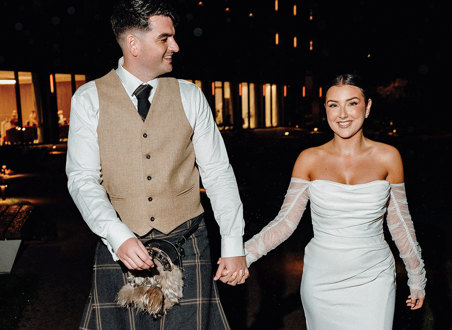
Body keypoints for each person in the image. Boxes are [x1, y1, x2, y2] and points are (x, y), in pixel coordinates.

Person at [66, 1, 248, 329]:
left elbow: (218, 172)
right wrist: (117, 235)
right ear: (134, 44)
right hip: (121, 245)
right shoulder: (88, 98)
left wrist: (233, 244)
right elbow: (82, 179)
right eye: (165, 38)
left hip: (188, 241)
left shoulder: (191, 96)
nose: (175, 46)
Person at [244, 73, 426, 329]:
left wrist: (416, 277)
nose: (342, 114)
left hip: (373, 279)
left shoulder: (389, 157)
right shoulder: (309, 159)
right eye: (333, 105)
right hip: (322, 280)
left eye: (352, 103)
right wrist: (242, 255)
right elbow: (285, 222)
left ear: (368, 106)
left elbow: (400, 222)